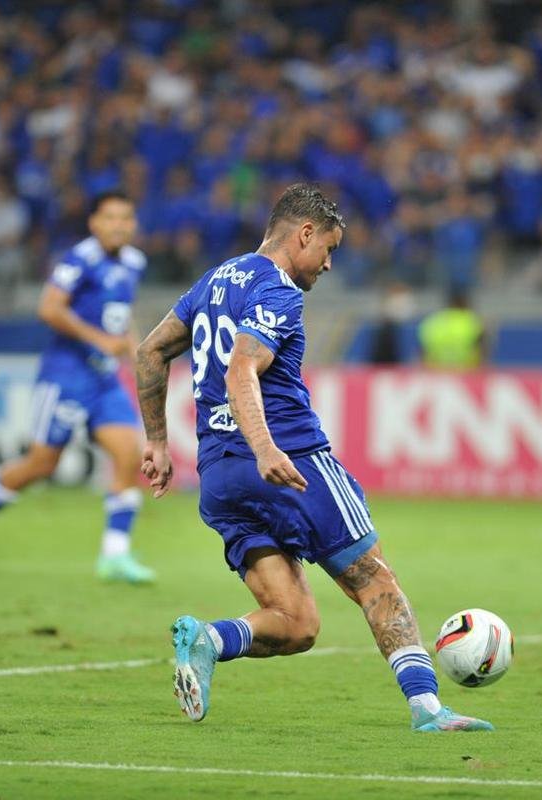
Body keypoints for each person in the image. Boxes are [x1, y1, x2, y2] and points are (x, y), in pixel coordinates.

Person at [135, 183, 492, 732]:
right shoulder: (279, 290)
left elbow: (151, 350)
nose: (328, 264)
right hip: (290, 463)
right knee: (375, 581)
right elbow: (241, 369)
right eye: (328, 249)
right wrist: (266, 448)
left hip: (219, 474)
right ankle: (428, 709)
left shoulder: (214, 280)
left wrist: (158, 442)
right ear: (304, 234)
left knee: (296, 623)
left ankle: (208, 640)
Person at [0, 190, 156, 584]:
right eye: (110, 218)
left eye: (126, 218)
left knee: (129, 453)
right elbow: (49, 307)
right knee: (42, 463)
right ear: (94, 223)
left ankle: (115, 556)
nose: (118, 226)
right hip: (65, 375)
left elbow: (120, 312)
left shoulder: (134, 261)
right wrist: (98, 339)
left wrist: (137, 351)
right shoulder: (80, 259)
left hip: (103, 379)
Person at [418, 289, 486, 369]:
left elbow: (423, 349)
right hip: (466, 368)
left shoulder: (433, 320)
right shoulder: (472, 320)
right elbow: (482, 346)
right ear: (465, 303)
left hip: (436, 369)